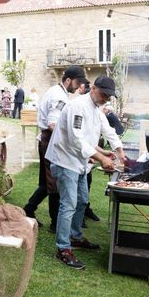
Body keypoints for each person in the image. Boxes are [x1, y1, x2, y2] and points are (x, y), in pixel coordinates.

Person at [47, 76, 126, 269]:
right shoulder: (77, 106)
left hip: (79, 162)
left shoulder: (96, 109)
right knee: (69, 204)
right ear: (94, 89)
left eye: (109, 97)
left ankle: (75, 236)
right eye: (104, 94)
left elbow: (107, 130)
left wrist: (118, 150)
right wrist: (101, 158)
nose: (106, 99)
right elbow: (76, 140)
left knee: (82, 200)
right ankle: (62, 249)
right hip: (65, 161)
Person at [23, 66, 86, 231]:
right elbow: (52, 124)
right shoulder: (60, 96)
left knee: (46, 182)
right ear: (67, 80)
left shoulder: (56, 91)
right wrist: (69, 139)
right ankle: (55, 223)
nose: (79, 86)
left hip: (47, 139)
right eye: (77, 82)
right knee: (54, 183)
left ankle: (29, 209)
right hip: (51, 140)